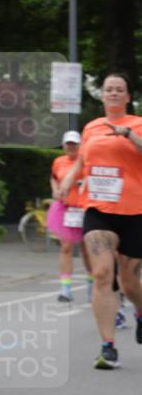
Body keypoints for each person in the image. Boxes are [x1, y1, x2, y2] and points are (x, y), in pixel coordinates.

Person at [59, 73, 142, 369]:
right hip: (98, 209)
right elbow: (83, 162)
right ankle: (108, 347)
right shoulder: (92, 127)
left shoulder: (138, 124)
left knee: (130, 284)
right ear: (103, 96)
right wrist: (69, 179)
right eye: (109, 90)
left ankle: (140, 313)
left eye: (120, 89)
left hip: (134, 211)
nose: (114, 93)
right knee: (103, 273)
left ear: (128, 97)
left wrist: (128, 135)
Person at [47, 131, 91, 302]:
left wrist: (78, 183)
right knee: (65, 247)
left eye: (74, 143)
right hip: (65, 209)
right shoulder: (58, 161)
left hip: (84, 209)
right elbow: (53, 177)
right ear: (64, 145)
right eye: (68, 143)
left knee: (87, 250)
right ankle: (65, 289)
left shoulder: (85, 161)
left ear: (80, 145)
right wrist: (55, 189)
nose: (71, 146)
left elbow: (90, 179)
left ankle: (91, 286)